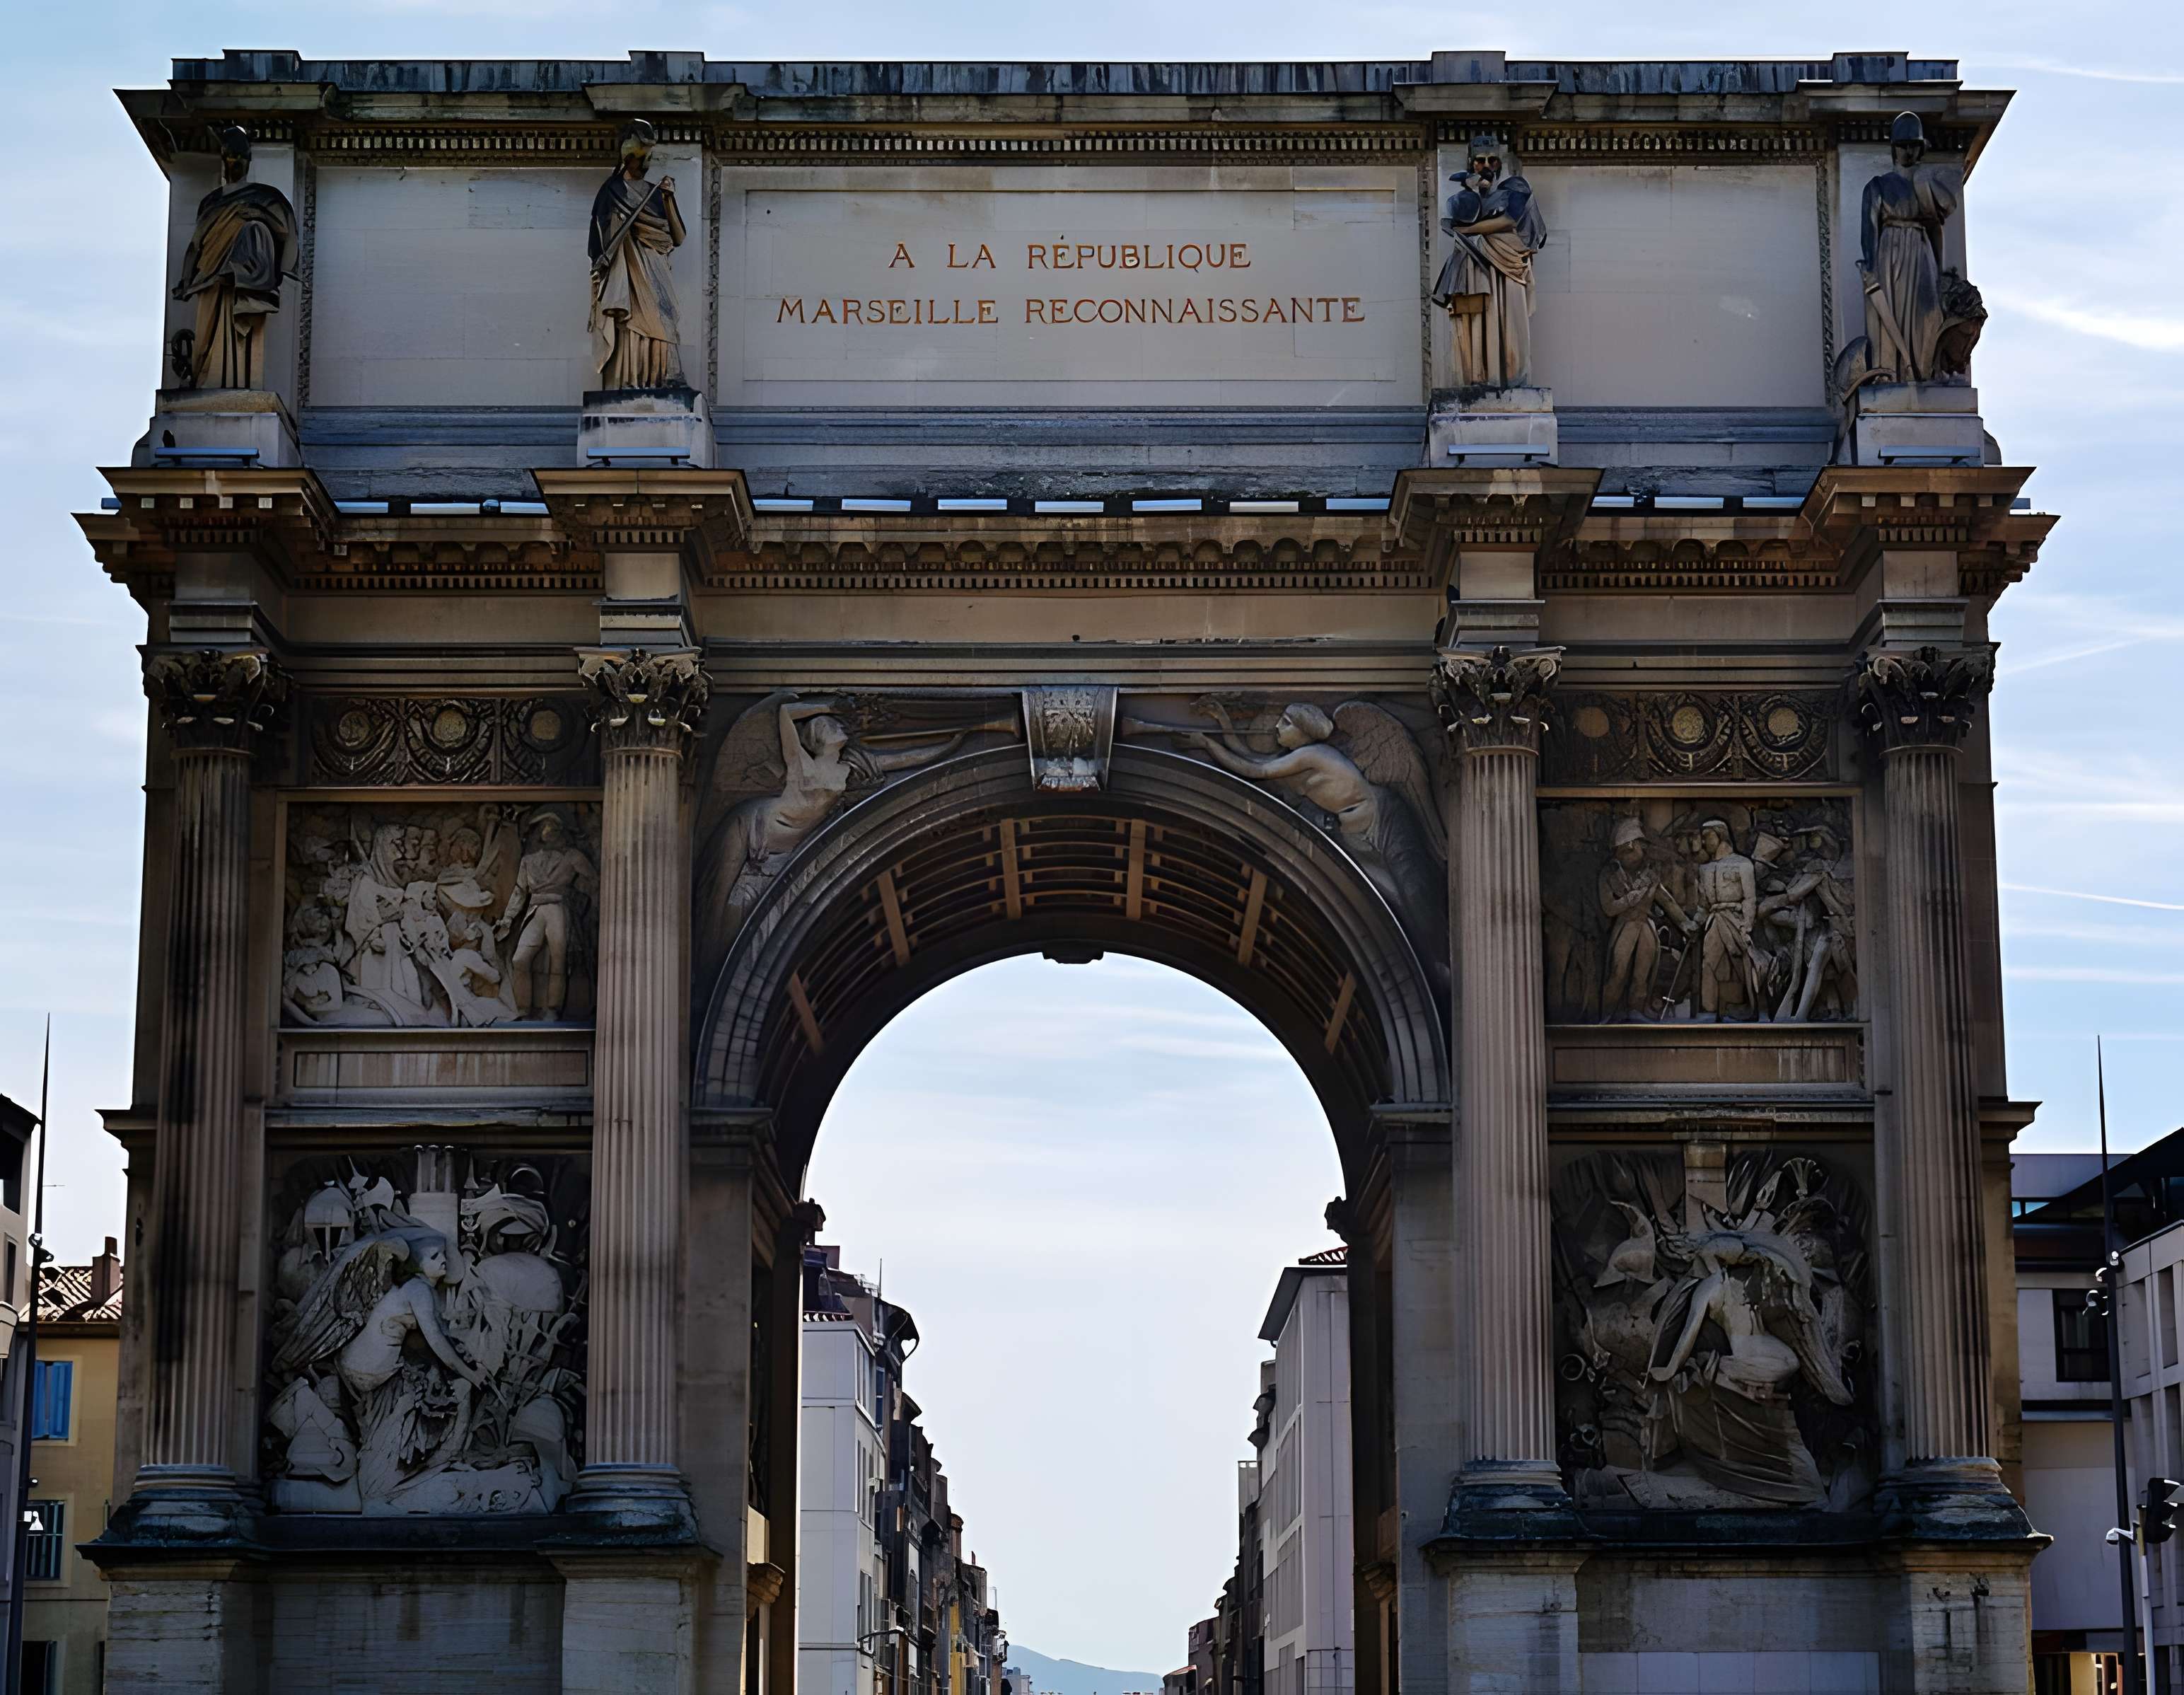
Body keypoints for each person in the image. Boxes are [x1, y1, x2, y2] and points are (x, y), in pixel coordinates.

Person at [172, 127, 294, 390]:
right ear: (223, 159)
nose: (237, 162)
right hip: (208, 277)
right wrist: (184, 279)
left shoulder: (262, 197)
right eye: (232, 156)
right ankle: (204, 381)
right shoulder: (211, 202)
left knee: (243, 334)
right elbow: (196, 244)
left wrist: (257, 225)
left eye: (242, 157)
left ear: (249, 161)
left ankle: (238, 384)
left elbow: (285, 231)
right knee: (204, 341)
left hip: (243, 278)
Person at [1429, 132, 1547, 391]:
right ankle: (1477, 378)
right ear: (1471, 165)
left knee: (1511, 324)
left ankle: (1511, 380)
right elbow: (1459, 218)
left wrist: (1469, 231)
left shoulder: (1515, 186)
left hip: (1509, 262)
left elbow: (1509, 221)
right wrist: (1471, 192)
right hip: (1475, 263)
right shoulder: (1471, 199)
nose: (1486, 167)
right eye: (1479, 161)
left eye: (1492, 161)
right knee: (1477, 321)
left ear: (1499, 164)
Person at [1858, 112, 1960, 384]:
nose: (1908, 151)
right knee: (1893, 316)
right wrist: (1870, 266)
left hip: (1920, 252)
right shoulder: (1878, 186)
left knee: (1927, 314)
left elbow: (1944, 213)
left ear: (1921, 147)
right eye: (1903, 145)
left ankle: (1924, 372)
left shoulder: (1923, 184)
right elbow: (1869, 232)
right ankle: (1894, 372)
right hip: (1890, 255)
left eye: (1913, 145)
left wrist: (1940, 272)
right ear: (1894, 148)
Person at [588, 119, 687, 389]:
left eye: (649, 158)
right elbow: (598, 239)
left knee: (666, 315)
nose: (646, 164)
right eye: (642, 156)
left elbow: (678, 237)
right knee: (630, 319)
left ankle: (665, 376)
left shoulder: (656, 193)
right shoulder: (612, 191)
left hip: (656, 265)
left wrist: (668, 199)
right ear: (628, 156)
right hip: (627, 266)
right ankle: (630, 379)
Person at [496, 811, 597, 1021]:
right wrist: (508, 918)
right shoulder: (528, 860)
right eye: (544, 826)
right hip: (535, 910)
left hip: (558, 908)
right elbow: (519, 891)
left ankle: (552, 1009)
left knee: (558, 960)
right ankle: (523, 1010)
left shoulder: (572, 856)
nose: (547, 830)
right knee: (520, 959)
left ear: (561, 830)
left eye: (552, 825)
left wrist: (582, 899)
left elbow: (594, 881)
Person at [1687, 819, 1762, 1022]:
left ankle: (1747, 1007)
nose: (1703, 842)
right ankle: (1709, 1011)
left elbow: (1750, 898)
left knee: (1741, 965)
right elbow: (1704, 905)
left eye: (1707, 837)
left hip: (1735, 920)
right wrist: (1695, 924)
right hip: (1715, 921)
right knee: (1709, 964)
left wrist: (1747, 925)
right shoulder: (1705, 869)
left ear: (1721, 835)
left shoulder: (1743, 864)